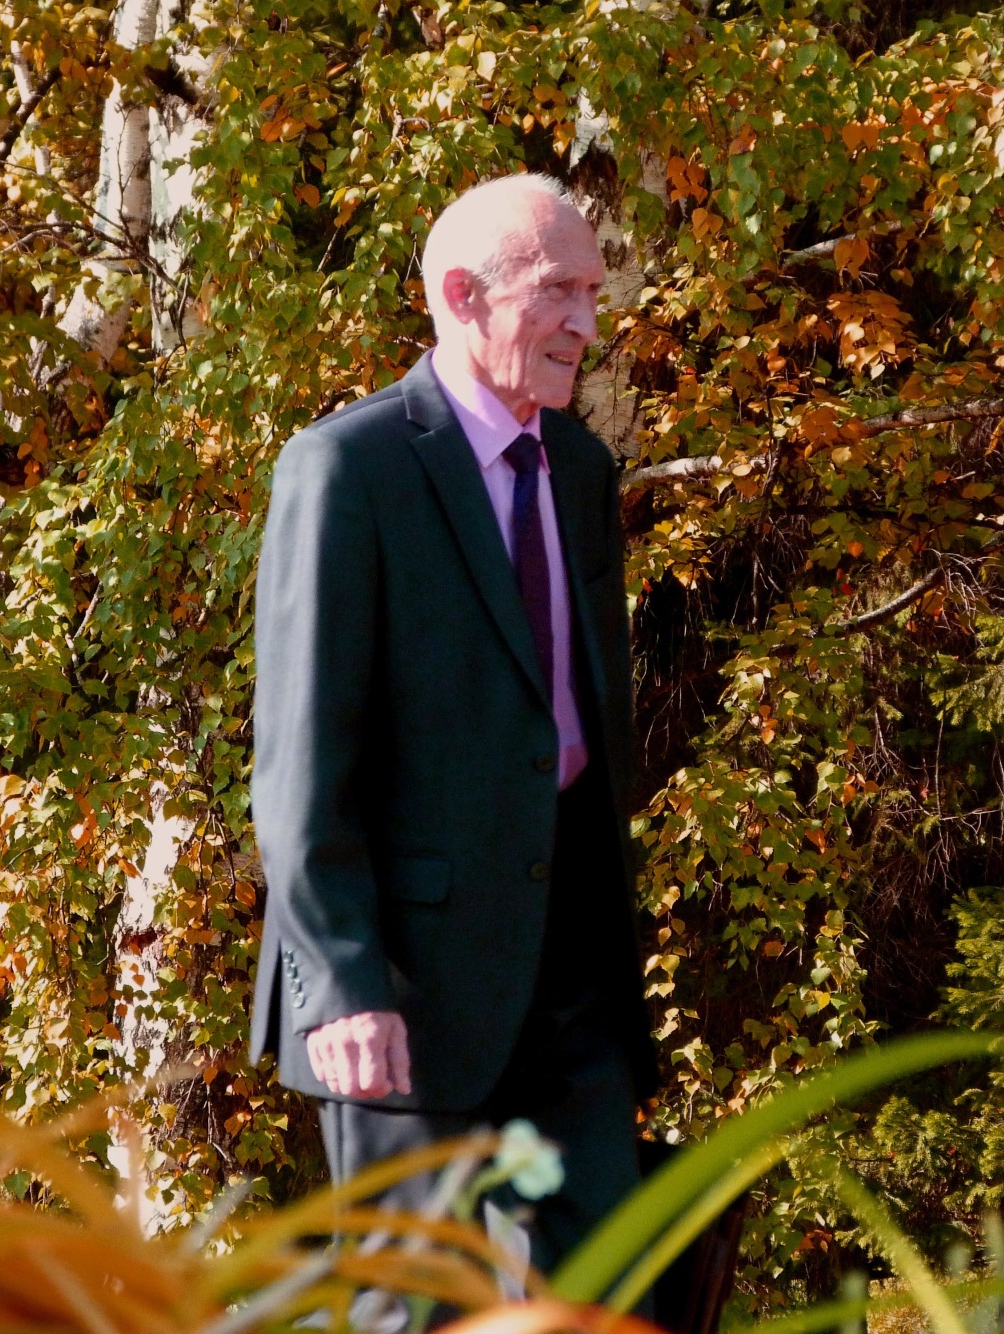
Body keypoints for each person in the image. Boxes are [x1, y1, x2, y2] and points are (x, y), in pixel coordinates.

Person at [249, 172, 656, 1270]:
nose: (586, 323)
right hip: (404, 996)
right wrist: (344, 984)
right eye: (559, 291)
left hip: (572, 977)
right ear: (464, 295)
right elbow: (301, 762)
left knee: (610, 1290)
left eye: (592, 293)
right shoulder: (348, 469)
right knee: (417, 1306)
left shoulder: (580, 469)